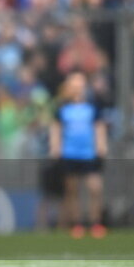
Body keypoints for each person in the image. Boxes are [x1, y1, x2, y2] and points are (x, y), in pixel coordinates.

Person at [48, 72, 108, 238]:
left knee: (95, 188)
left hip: (89, 154)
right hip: (70, 153)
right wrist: (55, 147)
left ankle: (96, 222)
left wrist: (101, 146)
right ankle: (77, 223)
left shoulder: (92, 108)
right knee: (72, 189)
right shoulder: (62, 109)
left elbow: (99, 127)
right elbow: (56, 128)